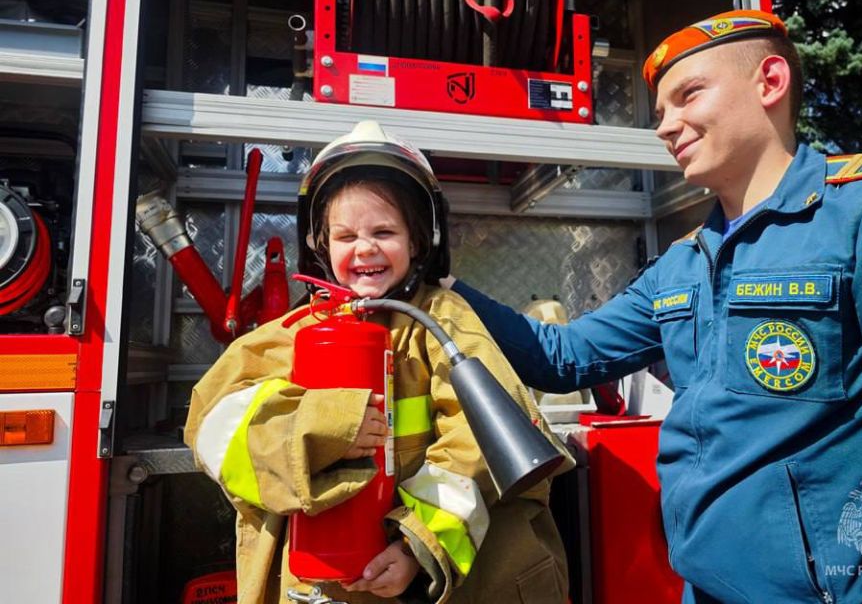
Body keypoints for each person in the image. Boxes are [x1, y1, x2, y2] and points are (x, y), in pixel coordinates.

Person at [443, 9, 862, 602]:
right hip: (703, 589)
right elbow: (561, 357)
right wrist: (447, 284)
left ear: (770, 82)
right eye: (660, 112)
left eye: (689, 96)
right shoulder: (684, 263)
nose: (667, 126)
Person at [185, 120, 573, 604]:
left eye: (384, 231)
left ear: (420, 242)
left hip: (433, 577)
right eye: (345, 235)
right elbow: (213, 428)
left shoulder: (443, 322)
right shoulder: (291, 334)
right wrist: (318, 428)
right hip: (324, 582)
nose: (364, 247)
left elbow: (476, 448)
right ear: (320, 246)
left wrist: (416, 545)